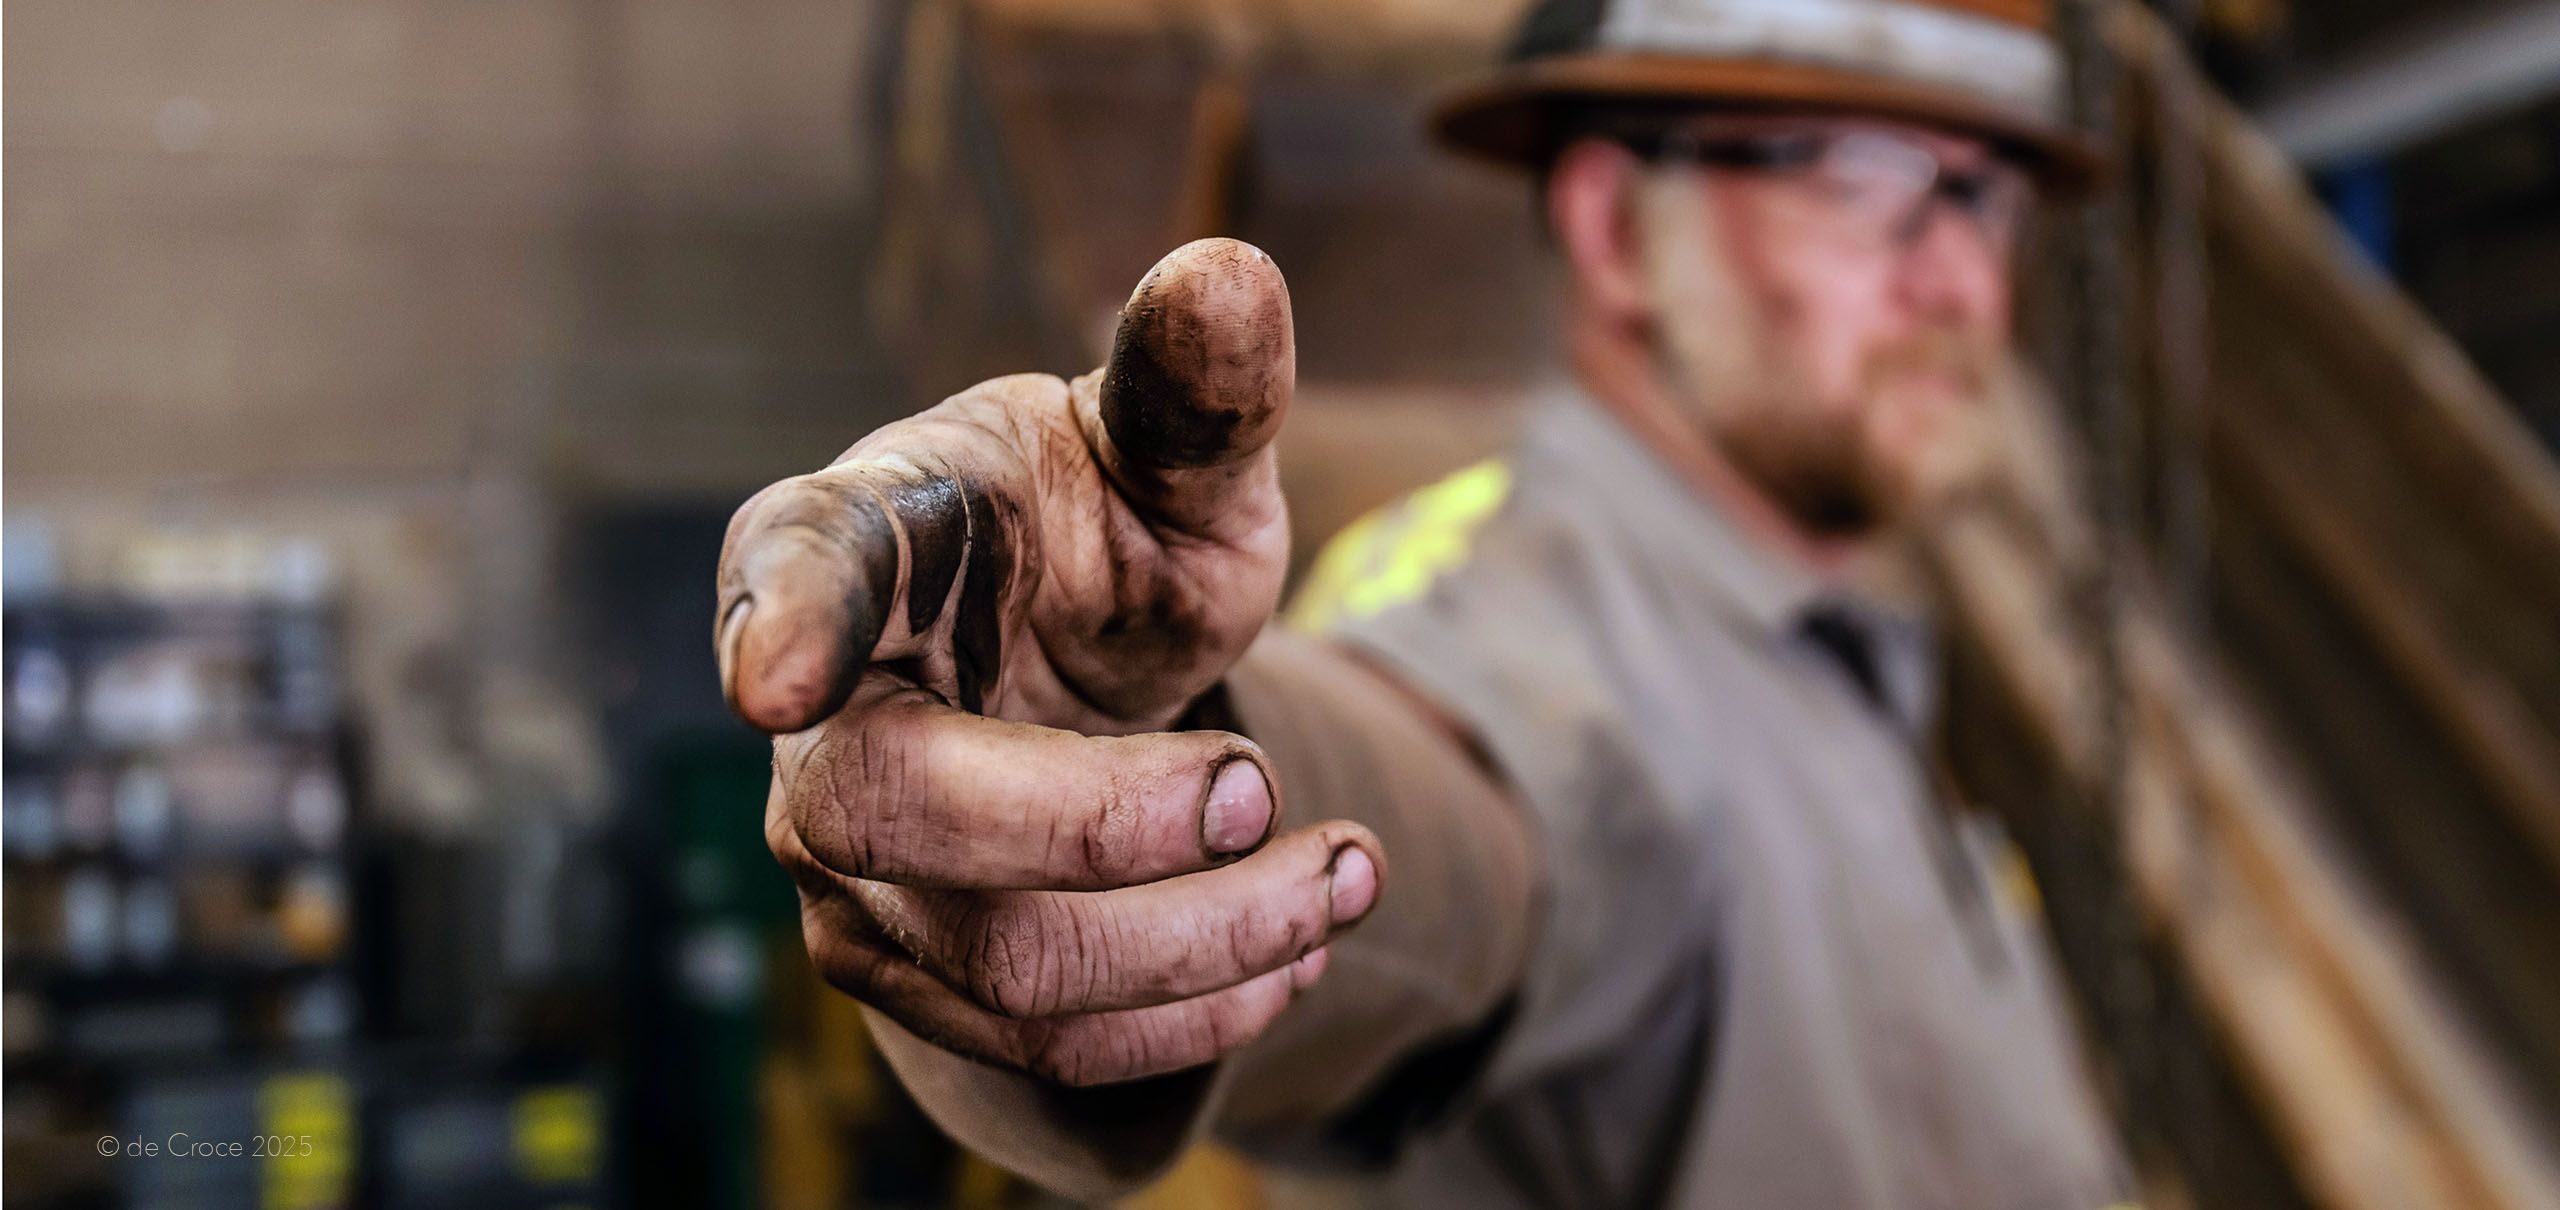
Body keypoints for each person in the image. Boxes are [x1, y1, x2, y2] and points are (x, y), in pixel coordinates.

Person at [713, 0, 2137, 1205]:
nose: (1963, 280)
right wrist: (1126, 756)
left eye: (1991, 194)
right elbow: (1468, 815)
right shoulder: (1564, 635)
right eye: (1878, 179)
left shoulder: (1845, 666)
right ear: (1616, 229)